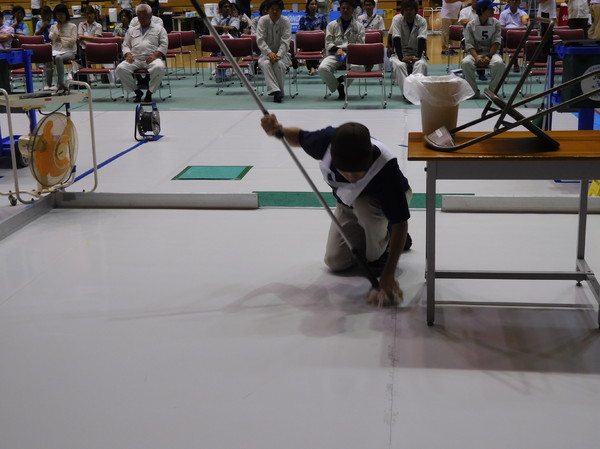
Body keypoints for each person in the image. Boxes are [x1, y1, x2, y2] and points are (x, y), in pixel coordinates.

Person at [260, 114, 412, 298]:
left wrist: (388, 274)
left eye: (358, 172)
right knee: (335, 261)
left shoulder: (387, 168)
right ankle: (380, 235)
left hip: (383, 201)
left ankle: (382, 247)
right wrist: (278, 130)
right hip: (348, 202)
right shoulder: (325, 141)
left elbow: (400, 222)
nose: (352, 177)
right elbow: (299, 137)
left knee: (369, 228)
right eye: (345, 172)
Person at [115, 3, 168, 103]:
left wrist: (155, 55)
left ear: (150, 16)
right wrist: (128, 54)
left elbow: (164, 44)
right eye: (139, 16)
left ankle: (150, 92)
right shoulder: (132, 30)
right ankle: (137, 91)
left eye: (144, 16)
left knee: (159, 67)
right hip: (135, 58)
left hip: (152, 58)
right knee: (120, 68)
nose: (142, 18)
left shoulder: (159, 29)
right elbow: (125, 45)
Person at [318, 0, 365, 100]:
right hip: (335, 54)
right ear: (340, 9)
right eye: (343, 8)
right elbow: (328, 43)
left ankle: (341, 80)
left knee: (360, 68)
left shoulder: (359, 26)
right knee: (322, 68)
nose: (345, 10)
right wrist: (337, 50)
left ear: (353, 10)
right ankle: (338, 86)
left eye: (348, 8)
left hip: (352, 55)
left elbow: (361, 44)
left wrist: (349, 52)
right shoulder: (331, 25)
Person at [461, 0, 504, 99]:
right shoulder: (470, 25)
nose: (493, 10)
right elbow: (469, 44)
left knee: (499, 63)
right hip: (475, 53)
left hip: (491, 53)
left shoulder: (496, 23)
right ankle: (473, 92)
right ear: (482, 10)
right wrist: (476, 57)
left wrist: (489, 56)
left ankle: (492, 91)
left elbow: (496, 42)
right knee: (466, 63)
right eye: (490, 8)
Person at [389, 0, 427, 102]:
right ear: (402, 11)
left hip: (416, 52)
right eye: (406, 9)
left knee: (420, 64)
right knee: (400, 65)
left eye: (411, 9)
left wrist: (418, 56)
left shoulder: (422, 21)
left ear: (416, 11)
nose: (408, 12)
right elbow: (396, 38)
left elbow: (422, 38)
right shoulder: (397, 19)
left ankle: (415, 92)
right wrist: (401, 57)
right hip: (400, 52)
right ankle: (407, 94)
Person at [257, 0, 291, 103]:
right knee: (266, 63)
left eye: (277, 9)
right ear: (267, 10)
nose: (275, 12)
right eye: (272, 9)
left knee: (279, 64)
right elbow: (260, 39)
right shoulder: (263, 20)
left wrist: (279, 55)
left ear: (281, 10)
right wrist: (269, 53)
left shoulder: (285, 21)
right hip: (266, 54)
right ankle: (277, 92)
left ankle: (277, 91)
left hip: (283, 54)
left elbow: (286, 41)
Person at [46, 4, 78, 91]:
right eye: (58, 14)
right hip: (56, 50)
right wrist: (57, 28)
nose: (60, 16)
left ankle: (60, 84)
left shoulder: (73, 26)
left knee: (58, 58)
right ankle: (48, 84)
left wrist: (60, 39)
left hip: (70, 51)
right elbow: (51, 37)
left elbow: (73, 40)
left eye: (61, 14)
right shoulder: (53, 27)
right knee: (49, 58)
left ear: (66, 14)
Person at [298, 0, 328, 75]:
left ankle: (312, 68)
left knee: (316, 46)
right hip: (306, 42)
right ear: (308, 6)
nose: (314, 6)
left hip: (318, 43)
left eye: (315, 4)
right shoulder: (303, 18)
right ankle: (312, 68)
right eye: (312, 4)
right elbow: (300, 32)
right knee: (308, 46)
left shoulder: (321, 17)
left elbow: (324, 30)